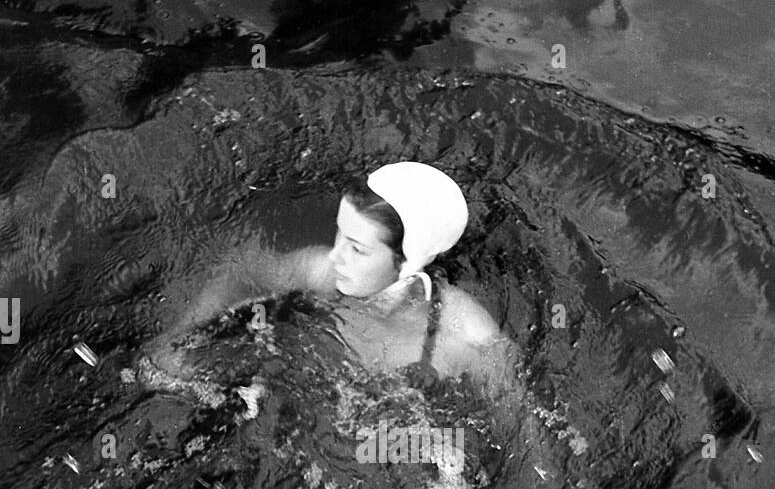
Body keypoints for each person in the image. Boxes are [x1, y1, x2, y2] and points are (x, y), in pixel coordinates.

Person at [145, 161, 513, 392]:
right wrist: (178, 337)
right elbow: (239, 269)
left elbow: (527, 437)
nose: (336, 255)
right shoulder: (322, 271)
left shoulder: (468, 336)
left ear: (408, 260)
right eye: (339, 233)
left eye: (358, 248)